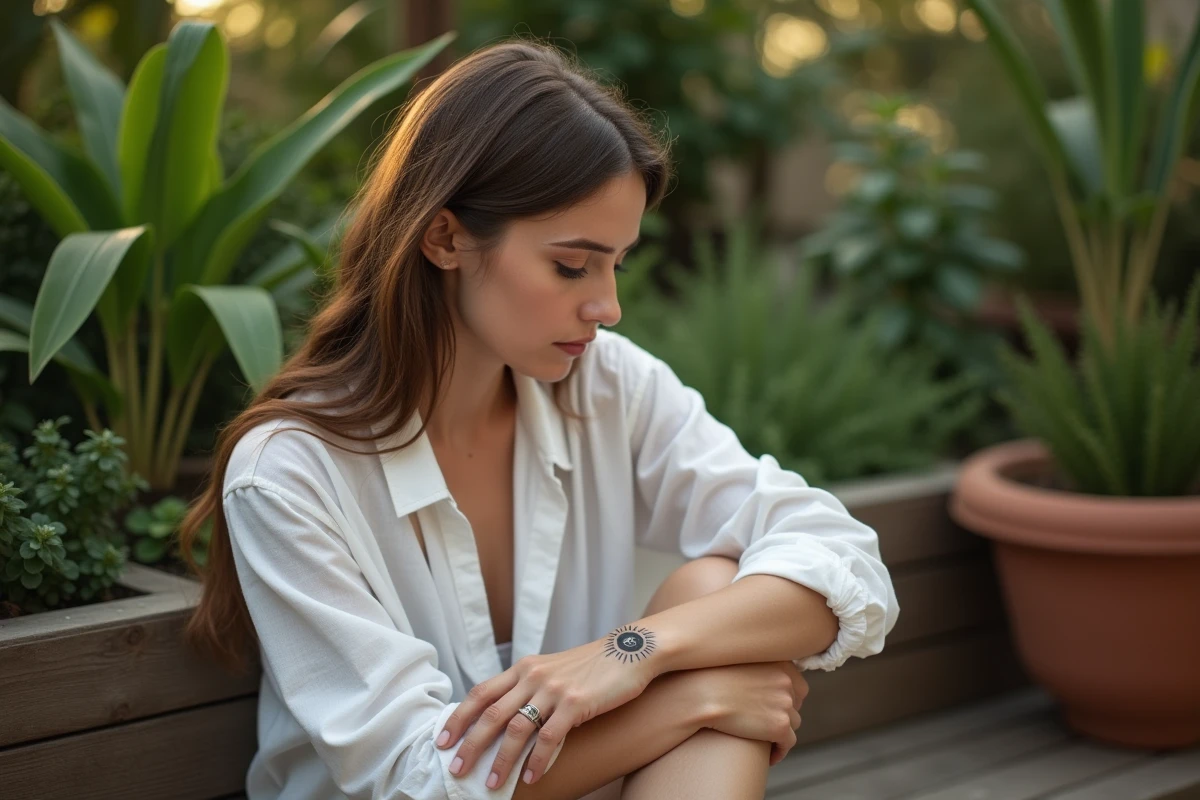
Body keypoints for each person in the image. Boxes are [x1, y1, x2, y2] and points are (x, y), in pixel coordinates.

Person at [180, 37, 899, 800]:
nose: (608, 308)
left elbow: (842, 556)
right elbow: (420, 781)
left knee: (712, 589)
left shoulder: (605, 386)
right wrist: (691, 696)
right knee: (722, 658)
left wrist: (634, 652)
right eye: (570, 265)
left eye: (615, 263)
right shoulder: (290, 473)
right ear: (446, 236)